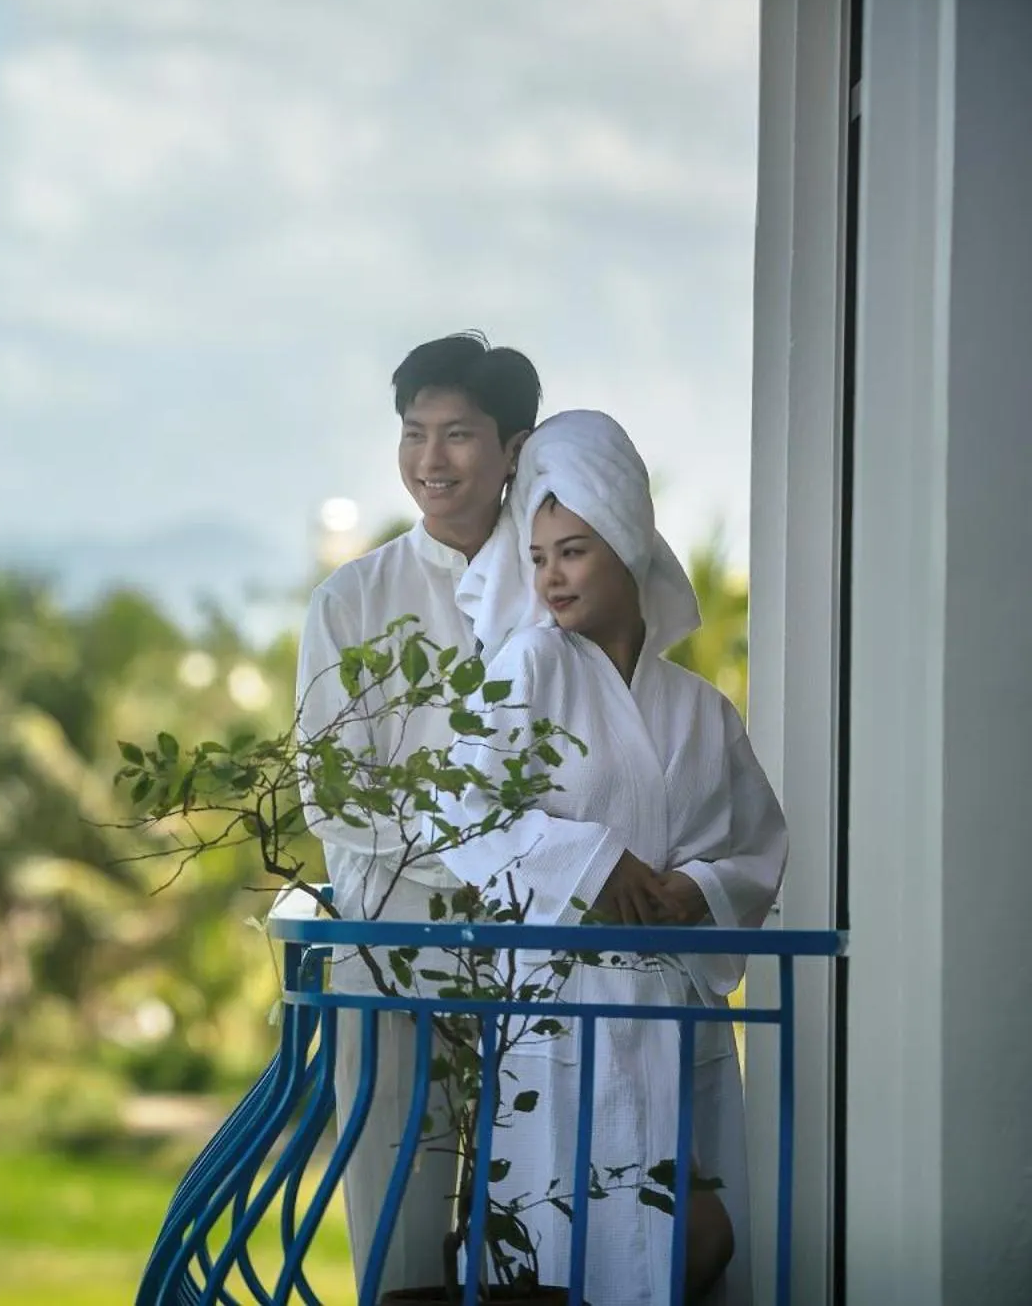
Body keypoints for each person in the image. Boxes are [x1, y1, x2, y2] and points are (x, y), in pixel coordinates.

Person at [441, 409, 788, 1304]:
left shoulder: (702, 709)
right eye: (540, 554)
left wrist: (697, 886)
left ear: (629, 544)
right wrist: (591, 862)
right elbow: (461, 806)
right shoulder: (526, 669)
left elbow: (755, 843)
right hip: (561, 1017)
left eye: (577, 550)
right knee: (570, 1239)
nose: (552, 576)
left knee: (698, 1246)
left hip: (673, 1016)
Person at [293, 330, 542, 1293]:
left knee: (536, 1204)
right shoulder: (353, 600)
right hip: (389, 949)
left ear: (514, 446)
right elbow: (334, 789)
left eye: (459, 434)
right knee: (395, 1197)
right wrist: (478, 860)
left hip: (537, 957)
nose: (430, 462)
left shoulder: (555, 586)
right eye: (413, 433)